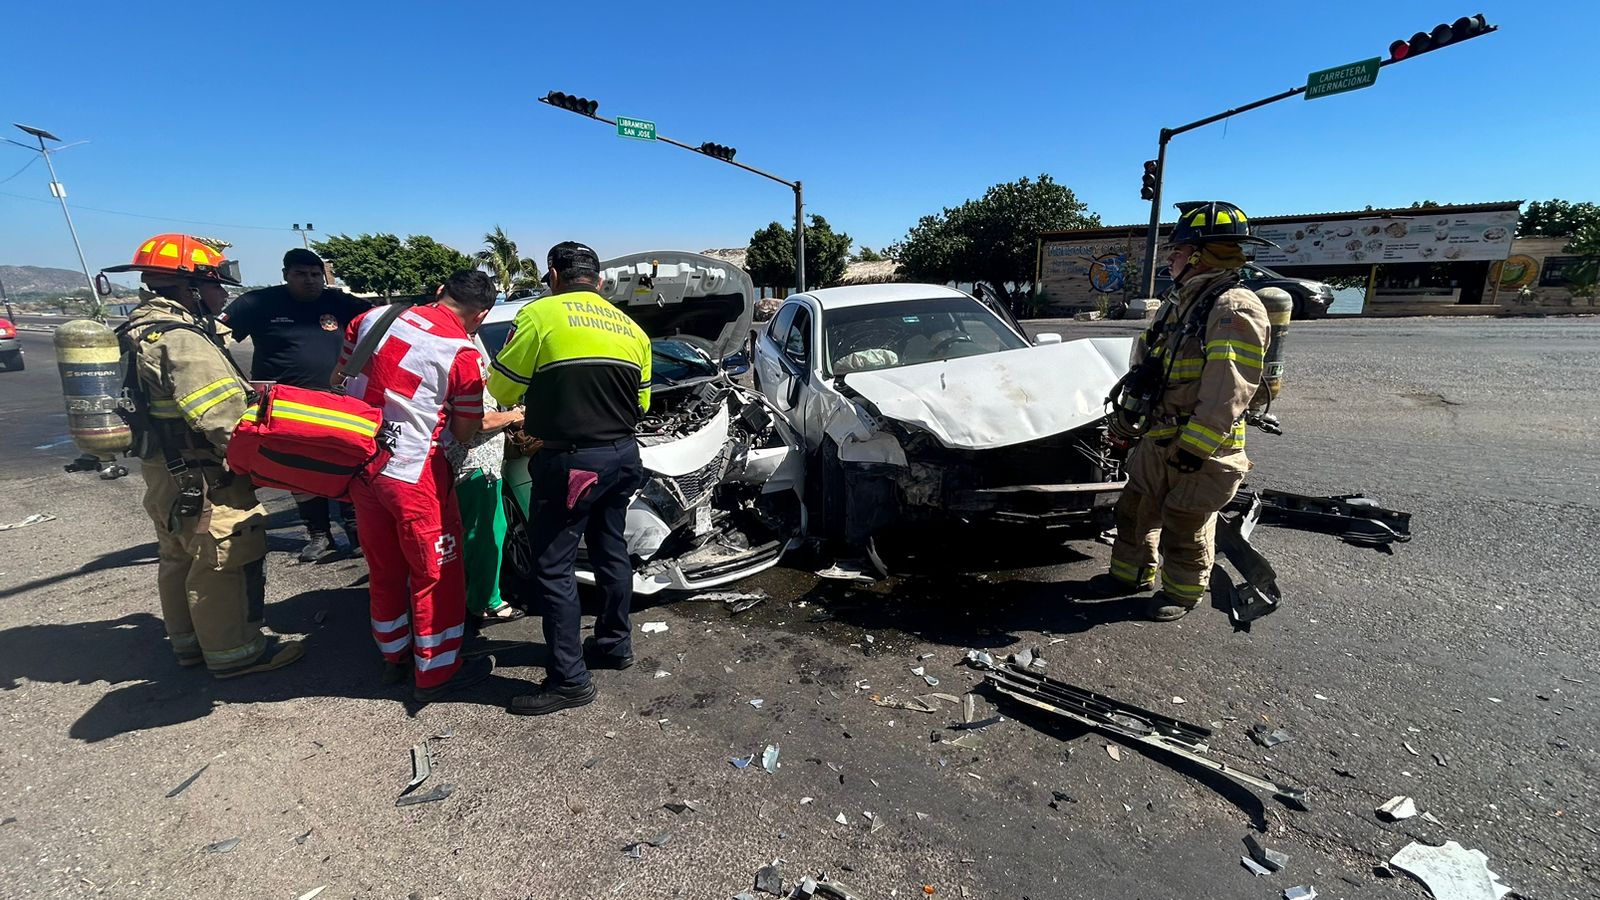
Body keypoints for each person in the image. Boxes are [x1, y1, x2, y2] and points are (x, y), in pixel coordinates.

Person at [104, 234, 304, 677]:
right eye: (215, 284)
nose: (222, 294)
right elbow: (227, 423)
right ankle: (236, 653)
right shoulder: (183, 342)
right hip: (205, 477)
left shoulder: (137, 328)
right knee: (223, 559)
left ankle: (190, 644)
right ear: (188, 287)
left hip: (164, 472)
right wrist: (280, 463)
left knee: (178, 555)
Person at [337, 269, 521, 701]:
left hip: (363, 464)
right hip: (415, 475)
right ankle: (438, 671)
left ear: (440, 292)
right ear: (482, 315)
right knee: (435, 573)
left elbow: (338, 378)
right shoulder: (462, 353)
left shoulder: (371, 318)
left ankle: (393, 654)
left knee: (384, 567)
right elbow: (463, 432)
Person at [487, 242, 651, 716]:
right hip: (623, 457)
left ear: (554, 276)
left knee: (554, 567)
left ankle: (569, 681)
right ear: (598, 282)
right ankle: (616, 645)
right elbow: (641, 405)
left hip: (573, 462)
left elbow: (501, 388)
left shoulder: (541, 316)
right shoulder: (631, 327)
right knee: (610, 549)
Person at [1088, 201, 1272, 622]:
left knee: (1185, 523)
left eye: (1175, 251)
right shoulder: (1183, 300)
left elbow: (1230, 387)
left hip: (1201, 444)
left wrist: (1196, 446)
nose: (1168, 258)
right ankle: (1130, 575)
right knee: (1135, 510)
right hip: (1159, 434)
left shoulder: (1233, 307)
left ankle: (1182, 593)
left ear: (1197, 255)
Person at [220, 248, 371, 561]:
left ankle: (357, 532)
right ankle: (319, 535)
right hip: (286, 405)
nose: (310, 281)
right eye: (301, 274)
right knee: (299, 471)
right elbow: (215, 339)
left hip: (337, 399)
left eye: (316, 274)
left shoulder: (339, 302)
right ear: (286, 274)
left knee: (347, 464)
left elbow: (379, 320)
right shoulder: (257, 303)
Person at [442, 331, 524, 628]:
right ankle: (486, 603)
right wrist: (515, 415)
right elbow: (481, 421)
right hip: (477, 465)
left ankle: (472, 594)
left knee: (474, 534)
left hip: (463, 465)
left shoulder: (446, 366)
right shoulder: (469, 369)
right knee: (488, 533)